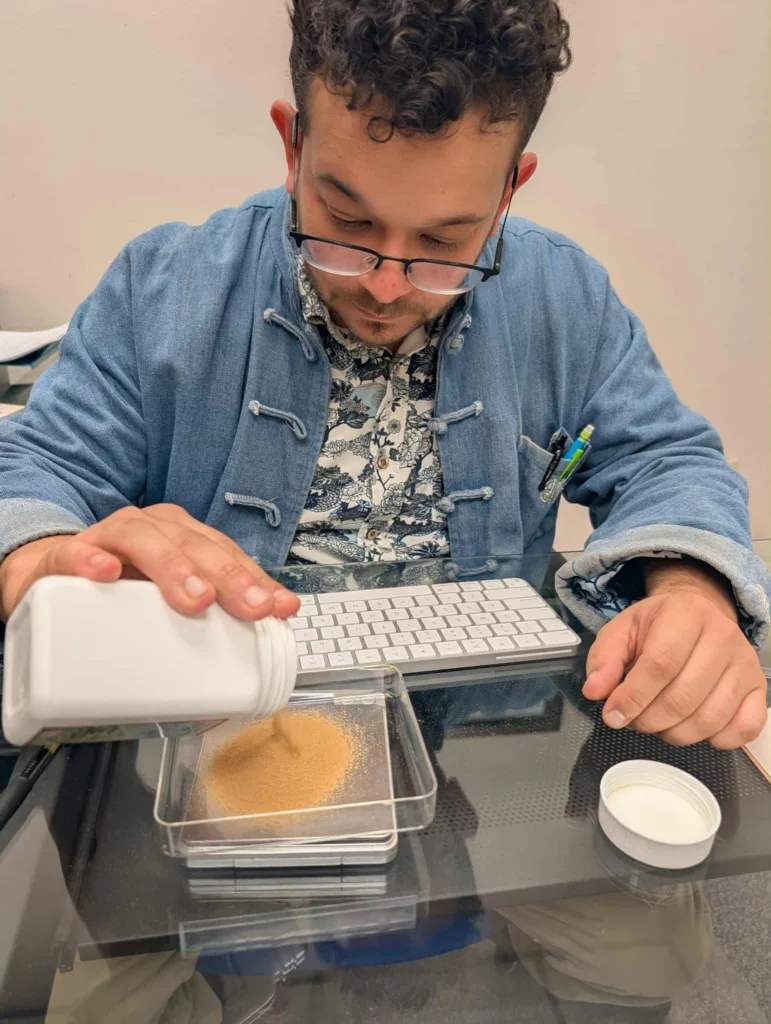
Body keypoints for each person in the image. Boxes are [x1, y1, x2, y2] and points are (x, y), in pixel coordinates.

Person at [0, 0, 768, 749]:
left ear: (509, 190)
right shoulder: (161, 288)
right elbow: (38, 470)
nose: (387, 286)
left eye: (445, 239)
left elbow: (667, 460)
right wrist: (39, 557)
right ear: (293, 147)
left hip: (472, 734)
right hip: (208, 724)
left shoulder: (565, 296)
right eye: (348, 221)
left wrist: (689, 586)